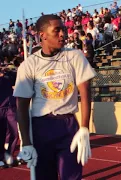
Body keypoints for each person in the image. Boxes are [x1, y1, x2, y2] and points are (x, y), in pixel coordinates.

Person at [13, 15, 96, 179]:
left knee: (71, 176)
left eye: (63, 30)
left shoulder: (75, 56)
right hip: (41, 127)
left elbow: (85, 93)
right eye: (56, 30)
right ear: (42, 34)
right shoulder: (29, 65)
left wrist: (85, 128)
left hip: (68, 125)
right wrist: (27, 142)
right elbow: (21, 107)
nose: (62, 34)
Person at [0, 65, 17, 167]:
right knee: (1, 133)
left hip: (10, 107)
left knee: (14, 131)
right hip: (1, 108)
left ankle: (8, 154)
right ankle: (1, 156)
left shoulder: (7, 77)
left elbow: (16, 79)